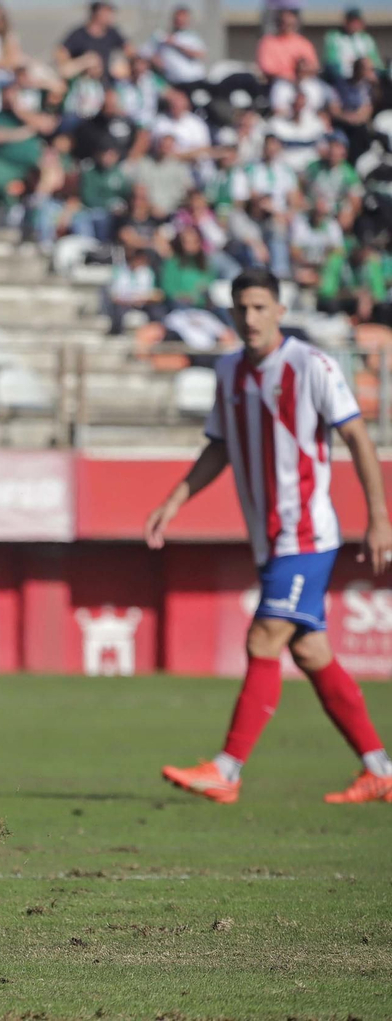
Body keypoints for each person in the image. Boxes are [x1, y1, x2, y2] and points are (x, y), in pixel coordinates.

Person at [149, 267, 392, 806]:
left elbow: (357, 435)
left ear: (280, 311)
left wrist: (379, 518)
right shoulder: (230, 370)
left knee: (263, 640)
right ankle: (380, 770)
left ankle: (227, 770)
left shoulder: (312, 366)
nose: (252, 317)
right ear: (232, 313)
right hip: (270, 541)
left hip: (307, 536)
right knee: (310, 652)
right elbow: (219, 445)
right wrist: (175, 500)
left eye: (261, 307)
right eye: (243, 308)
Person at [55, 1, 128, 82]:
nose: (111, 16)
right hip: (84, 82)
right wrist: (84, 63)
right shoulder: (79, 35)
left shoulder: (112, 33)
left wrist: (123, 64)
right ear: (97, 13)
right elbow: (61, 55)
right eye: (108, 12)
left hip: (109, 84)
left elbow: (130, 50)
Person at [146, 5, 207, 91]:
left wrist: (175, 44)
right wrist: (155, 60)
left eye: (183, 18)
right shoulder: (162, 37)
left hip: (194, 82)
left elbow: (200, 54)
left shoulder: (192, 37)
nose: (180, 20)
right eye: (178, 17)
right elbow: (146, 53)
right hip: (174, 84)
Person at [103, 246, 160, 335]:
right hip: (124, 303)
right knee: (117, 310)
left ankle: (155, 335)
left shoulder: (147, 272)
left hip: (142, 302)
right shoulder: (120, 271)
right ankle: (116, 333)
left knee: (156, 311)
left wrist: (141, 299)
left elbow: (150, 292)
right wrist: (126, 300)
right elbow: (115, 293)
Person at [323, 7, 383, 87]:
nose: (354, 24)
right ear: (345, 21)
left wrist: (372, 73)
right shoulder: (334, 36)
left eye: (357, 21)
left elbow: (376, 63)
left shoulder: (367, 39)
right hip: (343, 81)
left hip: (365, 81)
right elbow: (332, 62)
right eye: (352, 21)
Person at [256, 8, 318, 83]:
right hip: (279, 83)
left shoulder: (304, 43)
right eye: (283, 22)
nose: (287, 26)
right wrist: (290, 76)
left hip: (305, 81)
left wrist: (304, 69)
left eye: (290, 23)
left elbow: (314, 66)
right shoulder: (268, 42)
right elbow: (267, 68)